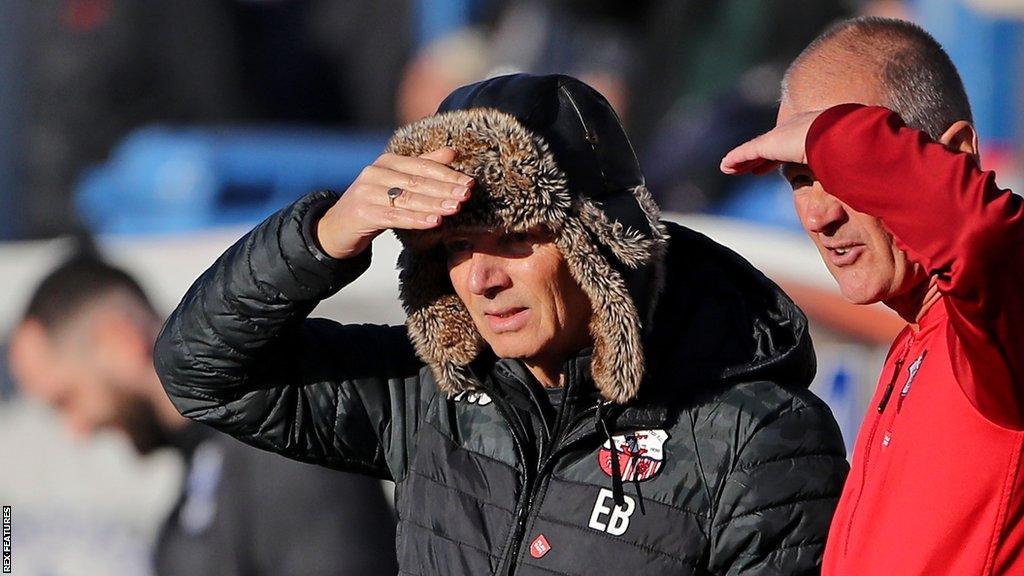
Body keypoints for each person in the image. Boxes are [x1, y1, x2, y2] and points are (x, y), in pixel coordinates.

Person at [155, 73, 849, 575]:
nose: (481, 278)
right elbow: (203, 372)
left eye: (514, 237)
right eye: (455, 247)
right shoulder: (432, 397)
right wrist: (330, 233)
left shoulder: (759, 435)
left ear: (599, 243)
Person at [721, 16, 1024, 575]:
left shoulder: (996, 343)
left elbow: (985, 237)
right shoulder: (914, 345)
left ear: (956, 154)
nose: (819, 214)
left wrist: (824, 135)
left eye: (846, 169)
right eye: (798, 179)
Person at [8, 254, 399, 576]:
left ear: (119, 341)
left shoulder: (278, 439)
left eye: (67, 399)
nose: (75, 430)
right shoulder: (204, 466)